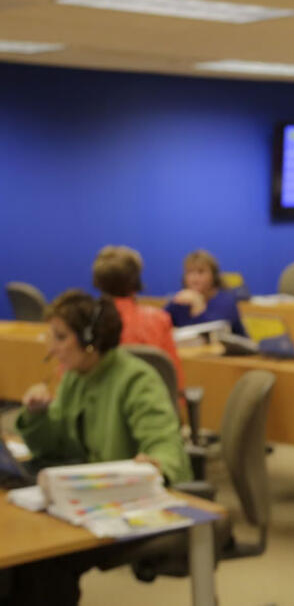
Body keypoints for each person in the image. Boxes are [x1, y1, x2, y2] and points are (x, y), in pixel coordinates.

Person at [5, 290, 191, 605]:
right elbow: (56, 444)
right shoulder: (76, 377)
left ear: (91, 339)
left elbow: (165, 444)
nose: (52, 349)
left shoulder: (136, 380)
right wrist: (37, 415)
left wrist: (157, 463)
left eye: (60, 338)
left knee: (40, 562)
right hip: (84, 497)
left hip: (118, 504)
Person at [92, 245, 184, 402]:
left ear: (99, 282)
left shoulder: (86, 320)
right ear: (135, 281)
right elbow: (175, 381)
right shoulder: (159, 320)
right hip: (153, 410)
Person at [164, 249, 247, 337]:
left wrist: (197, 305)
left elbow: (213, 336)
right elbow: (161, 321)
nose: (195, 278)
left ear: (213, 276)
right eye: (190, 272)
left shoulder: (226, 301)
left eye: (201, 272)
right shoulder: (181, 300)